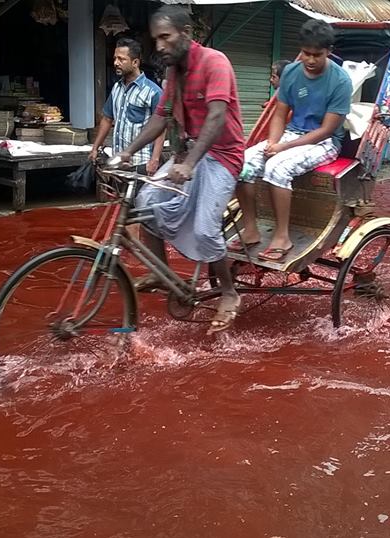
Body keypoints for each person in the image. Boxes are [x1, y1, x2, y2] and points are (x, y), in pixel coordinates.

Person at [118, 5, 246, 334]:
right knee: (146, 202)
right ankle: (162, 272)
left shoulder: (215, 62)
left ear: (186, 35)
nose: (159, 46)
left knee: (206, 229)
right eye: (155, 39)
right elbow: (160, 118)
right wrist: (125, 153)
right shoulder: (173, 72)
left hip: (222, 156)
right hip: (189, 153)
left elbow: (216, 119)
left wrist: (189, 163)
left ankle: (229, 293)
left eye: (165, 37)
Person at [233, 20, 352, 261]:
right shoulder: (291, 72)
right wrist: (271, 143)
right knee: (242, 163)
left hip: (324, 142)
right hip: (290, 134)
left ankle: (282, 236)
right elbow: (279, 113)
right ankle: (251, 228)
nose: (309, 60)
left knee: (277, 167)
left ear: (328, 51)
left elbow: (327, 130)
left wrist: (282, 148)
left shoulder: (341, 81)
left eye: (316, 55)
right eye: (306, 53)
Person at [89, 38, 165, 175]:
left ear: (135, 62)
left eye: (121, 59)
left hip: (141, 162)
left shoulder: (153, 92)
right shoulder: (117, 88)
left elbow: (161, 128)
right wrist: (95, 147)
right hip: (119, 161)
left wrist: (154, 159)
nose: (115, 63)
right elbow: (107, 119)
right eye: (115, 58)